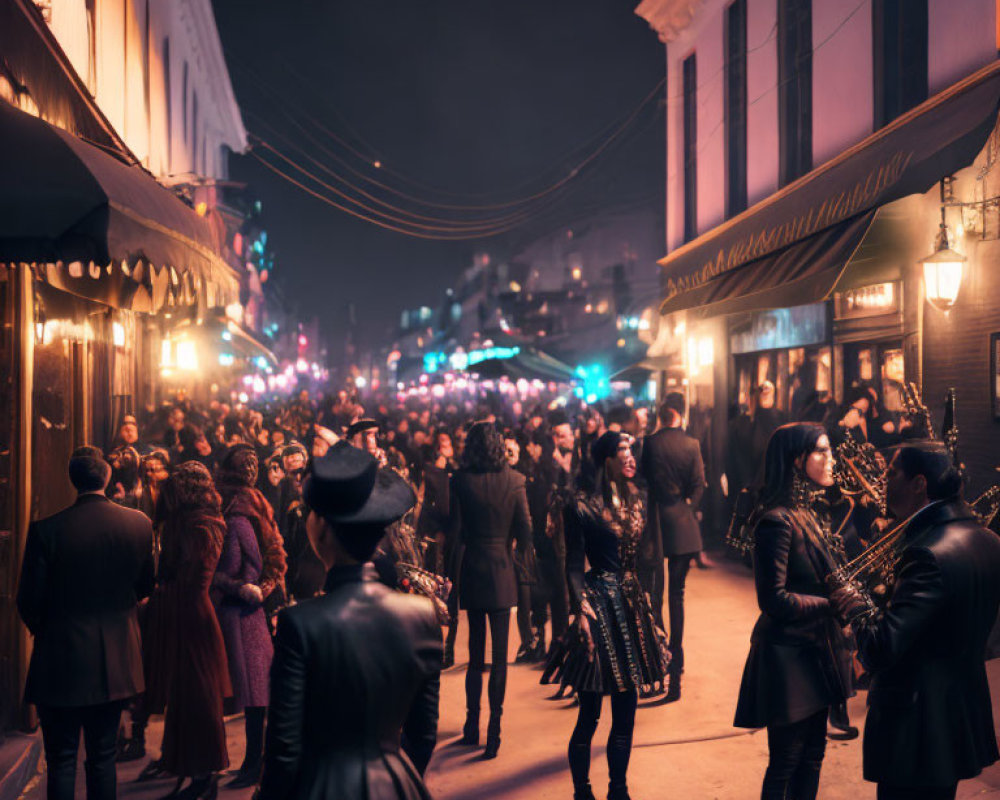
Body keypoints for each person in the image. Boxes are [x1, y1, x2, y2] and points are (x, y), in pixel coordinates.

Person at [257, 442, 441, 799]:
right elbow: (423, 737)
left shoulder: (299, 624)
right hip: (399, 783)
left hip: (321, 787)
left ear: (322, 527)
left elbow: (283, 750)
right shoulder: (423, 615)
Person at [831, 442, 1000, 799]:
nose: (882, 481)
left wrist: (857, 606)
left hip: (918, 727)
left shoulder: (926, 553)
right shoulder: (988, 540)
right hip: (958, 712)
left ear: (919, 483)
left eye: (891, 473)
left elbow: (880, 648)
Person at [17, 446, 154, 800]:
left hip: (60, 655)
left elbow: (28, 600)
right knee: (103, 756)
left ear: (72, 480)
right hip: (116, 659)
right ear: (107, 478)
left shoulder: (46, 530)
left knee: (61, 759)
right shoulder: (138, 524)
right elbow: (144, 587)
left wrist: (47, 629)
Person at [543, 432, 669, 800]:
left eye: (632, 451)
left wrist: (650, 608)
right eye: (622, 452)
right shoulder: (581, 504)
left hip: (631, 606)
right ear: (606, 459)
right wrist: (578, 608)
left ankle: (619, 789)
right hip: (597, 607)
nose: (631, 458)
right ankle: (582, 791)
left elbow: (642, 560)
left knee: (627, 712)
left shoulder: (637, 499)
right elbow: (573, 563)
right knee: (590, 715)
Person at [733, 423, 854, 800]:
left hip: (815, 651)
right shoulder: (777, 520)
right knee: (787, 760)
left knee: (814, 756)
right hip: (786, 656)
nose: (832, 459)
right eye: (822, 451)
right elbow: (773, 599)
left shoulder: (809, 513)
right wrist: (831, 603)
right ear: (797, 460)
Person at [142, 462, 232, 799]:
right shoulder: (196, 520)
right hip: (187, 610)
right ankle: (192, 771)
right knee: (187, 694)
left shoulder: (201, 523)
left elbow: (191, 573)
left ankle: (203, 777)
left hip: (192, 613)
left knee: (198, 695)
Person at [450, 421, 532, 759]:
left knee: (474, 655)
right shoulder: (515, 481)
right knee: (500, 658)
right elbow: (526, 531)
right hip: (501, 570)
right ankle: (495, 730)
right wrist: (509, 546)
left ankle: (472, 725)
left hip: (473, 569)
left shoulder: (460, 481)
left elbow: (455, 533)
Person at [212, 444, 285, 789]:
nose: (252, 468)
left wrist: (249, 587)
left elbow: (258, 560)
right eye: (247, 463)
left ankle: (253, 762)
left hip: (240, 611)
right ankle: (250, 760)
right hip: (246, 607)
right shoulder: (245, 503)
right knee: (253, 693)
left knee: (253, 692)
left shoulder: (237, 512)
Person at [640, 392, 705, 701]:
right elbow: (699, 484)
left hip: (655, 525)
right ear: (681, 414)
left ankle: (659, 660)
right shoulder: (691, 445)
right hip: (682, 526)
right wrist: (687, 506)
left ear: (662, 414)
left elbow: (642, 480)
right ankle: (676, 667)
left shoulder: (650, 443)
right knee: (676, 596)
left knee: (655, 594)